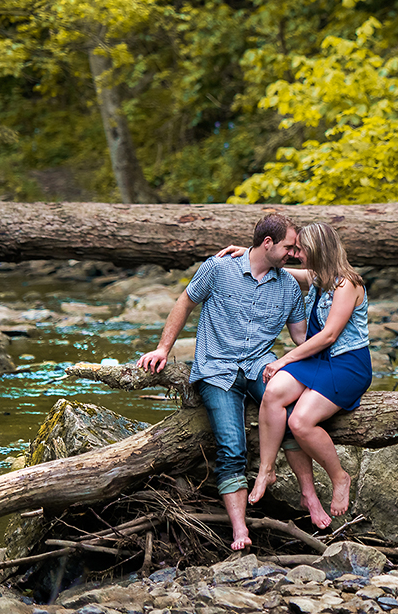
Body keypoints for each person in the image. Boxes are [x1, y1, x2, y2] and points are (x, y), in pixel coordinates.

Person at [137, 213, 318, 550]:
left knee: (295, 418)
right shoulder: (219, 269)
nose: (294, 252)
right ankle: (240, 530)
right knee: (232, 448)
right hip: (216, 371)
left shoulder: (289, 286)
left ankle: (309, 495)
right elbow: (185, 301)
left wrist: (336, 341)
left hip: (261, 367)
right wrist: (163, 348)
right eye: (290, 247)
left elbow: (300, 337)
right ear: (268, 243)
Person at [222, 221, 371, 521]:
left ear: (317, 251)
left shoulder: (348, 284)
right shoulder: (318, 276)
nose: (295, 255)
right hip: (319, 362)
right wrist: (251, 255)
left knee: (301, 421)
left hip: (347, 365)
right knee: (274, 392)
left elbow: (329, 336)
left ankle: (339, 477)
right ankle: (267, 469)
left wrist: (284, 360)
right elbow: (289, 272)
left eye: (300, 250)